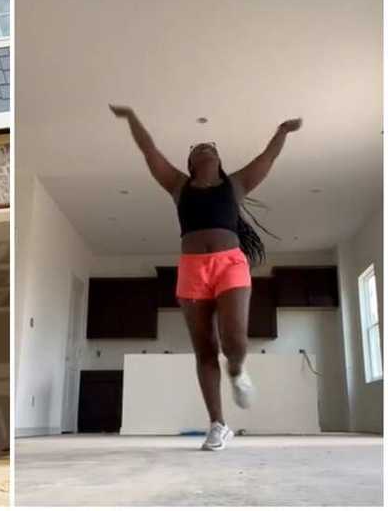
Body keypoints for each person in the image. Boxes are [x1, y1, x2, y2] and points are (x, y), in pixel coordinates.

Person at [110, 106, 301, 451]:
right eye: (198, 147)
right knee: (205, 349)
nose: (205, 147)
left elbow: (267, 157)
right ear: (190, 162)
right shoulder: (178, 186)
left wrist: (283, 131)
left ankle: (238, 370)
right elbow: (149, 150)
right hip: (192, 269)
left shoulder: (236, 184)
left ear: (218, 158)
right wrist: (131, 118)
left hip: (230, 264)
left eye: (210, 145)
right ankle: (218, 424)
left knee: (234, 340)